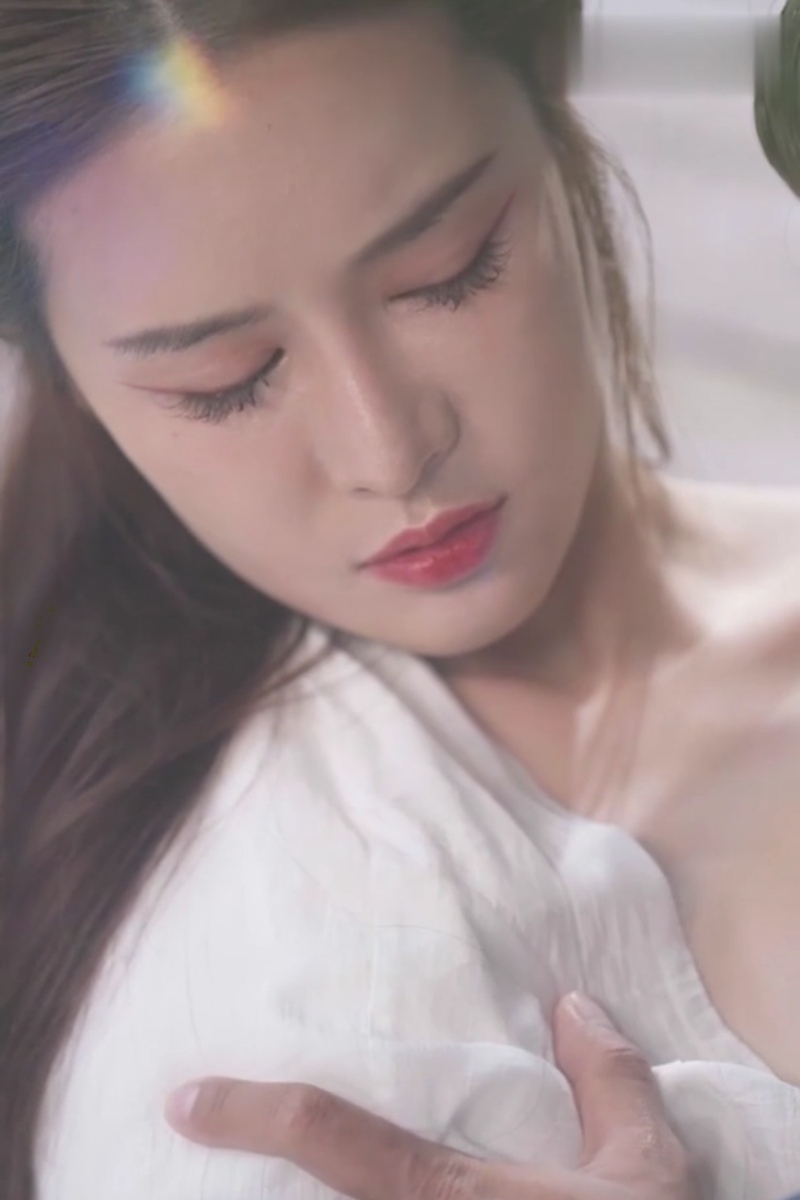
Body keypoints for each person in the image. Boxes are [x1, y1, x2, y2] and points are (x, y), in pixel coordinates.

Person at [1, 2, 799, 1199]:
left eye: (447, 274)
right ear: (69, 378)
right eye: (226, 383)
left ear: (549, 106)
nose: (388, 449)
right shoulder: (202, 900)